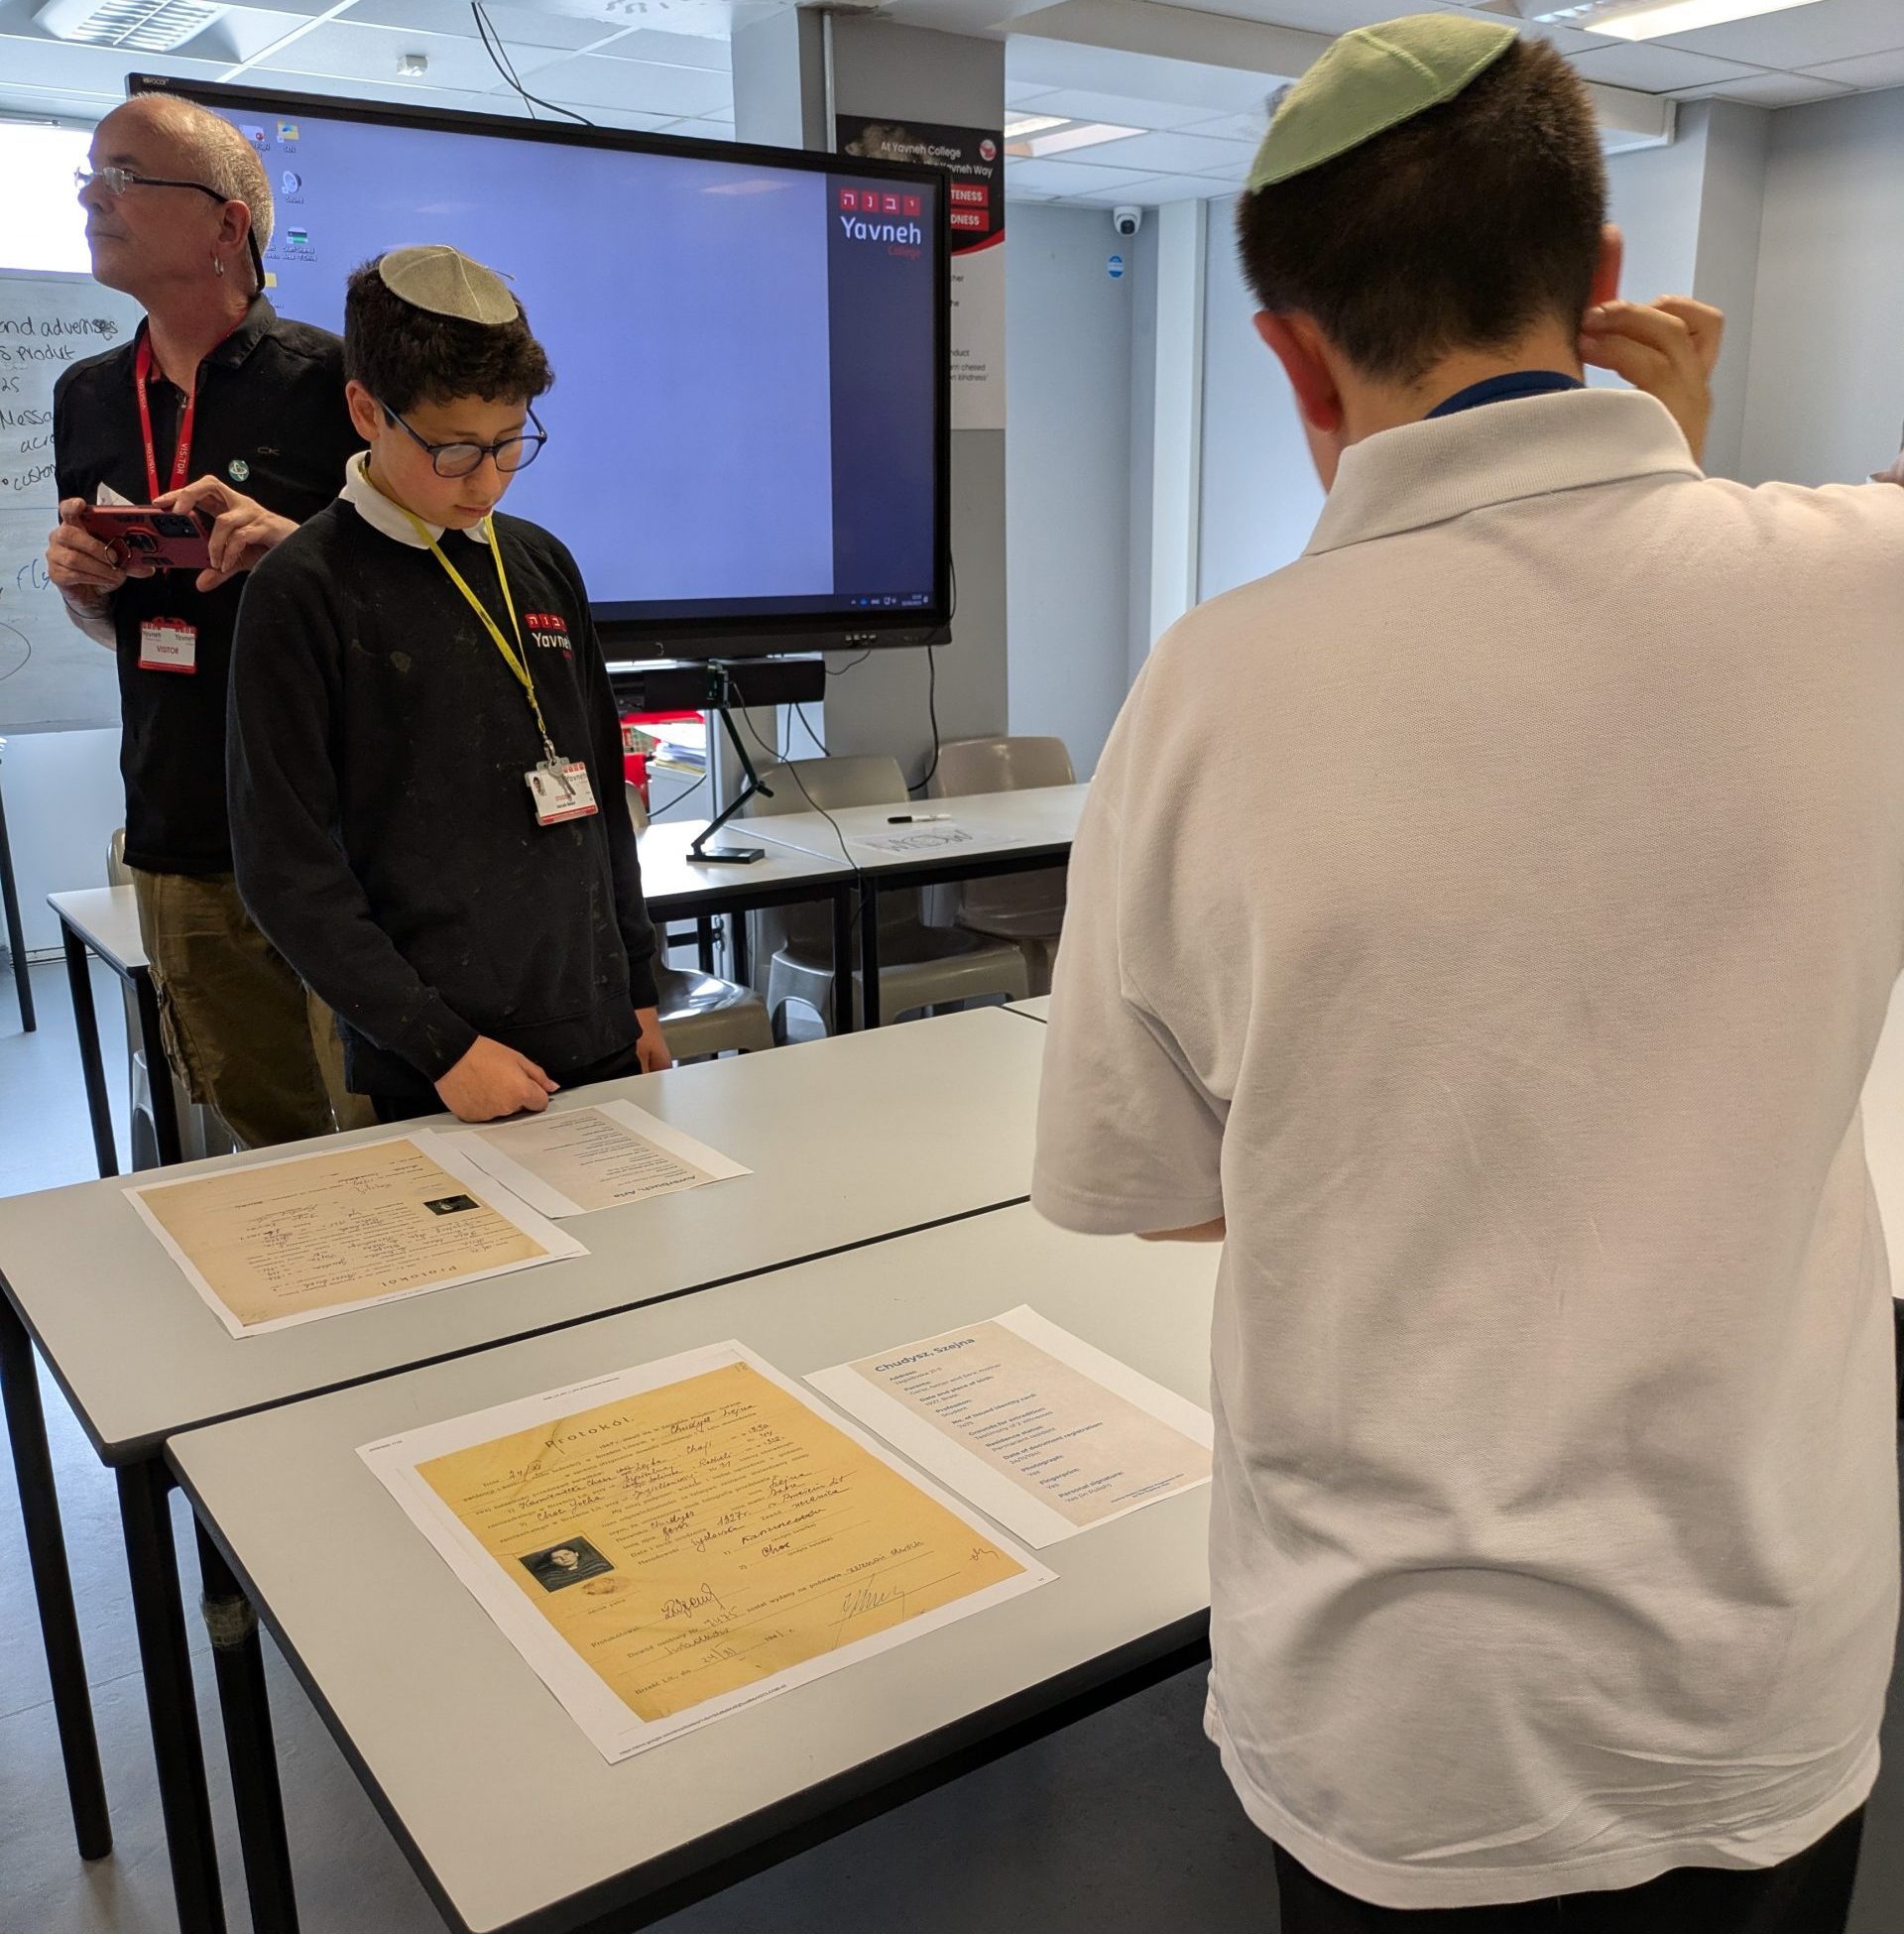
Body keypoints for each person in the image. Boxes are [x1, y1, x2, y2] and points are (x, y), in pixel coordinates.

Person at [1033, 15, 1904, 1932]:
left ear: (1290, 354)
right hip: (1764, 1661)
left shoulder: (1209, 689)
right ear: (1603, 281)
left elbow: (1159, 1190)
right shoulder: (1867, 590)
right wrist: (1683, 483)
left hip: (1405, 1706)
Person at [227, 247, 669, 1125]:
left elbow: (600, 799)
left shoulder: (541, 562)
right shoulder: (303, 591)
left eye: (511, 443)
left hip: (599, 1028)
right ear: (366, 410)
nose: (488, 480)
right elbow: (285, 872)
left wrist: (639, 988)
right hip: (439, 1067)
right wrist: (442, 1049)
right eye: (456, 449)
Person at [47, 91, 363, 1149]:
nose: (92, 198)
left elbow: (421, 598)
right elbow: (121, 628)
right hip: (179, 817)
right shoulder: (89, 396)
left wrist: (297, 549)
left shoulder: (339, 384)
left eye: (123, 177)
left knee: (389, 1124)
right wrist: (84, 588)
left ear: (228, 225)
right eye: (89, 175)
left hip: (340, 826)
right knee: (265, 1139)